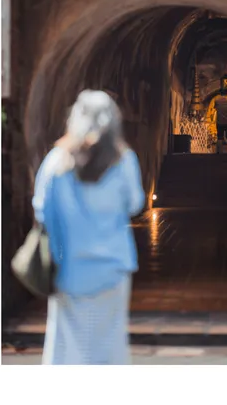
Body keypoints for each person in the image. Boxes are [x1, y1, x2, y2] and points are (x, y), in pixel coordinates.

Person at [32, 90, 146, 364]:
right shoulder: (123, 160)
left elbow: (41, 209)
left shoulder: (57, 161)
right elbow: (135, 203)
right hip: (112, 268)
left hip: (68, 268)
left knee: (67, 345)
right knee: (109, 344)